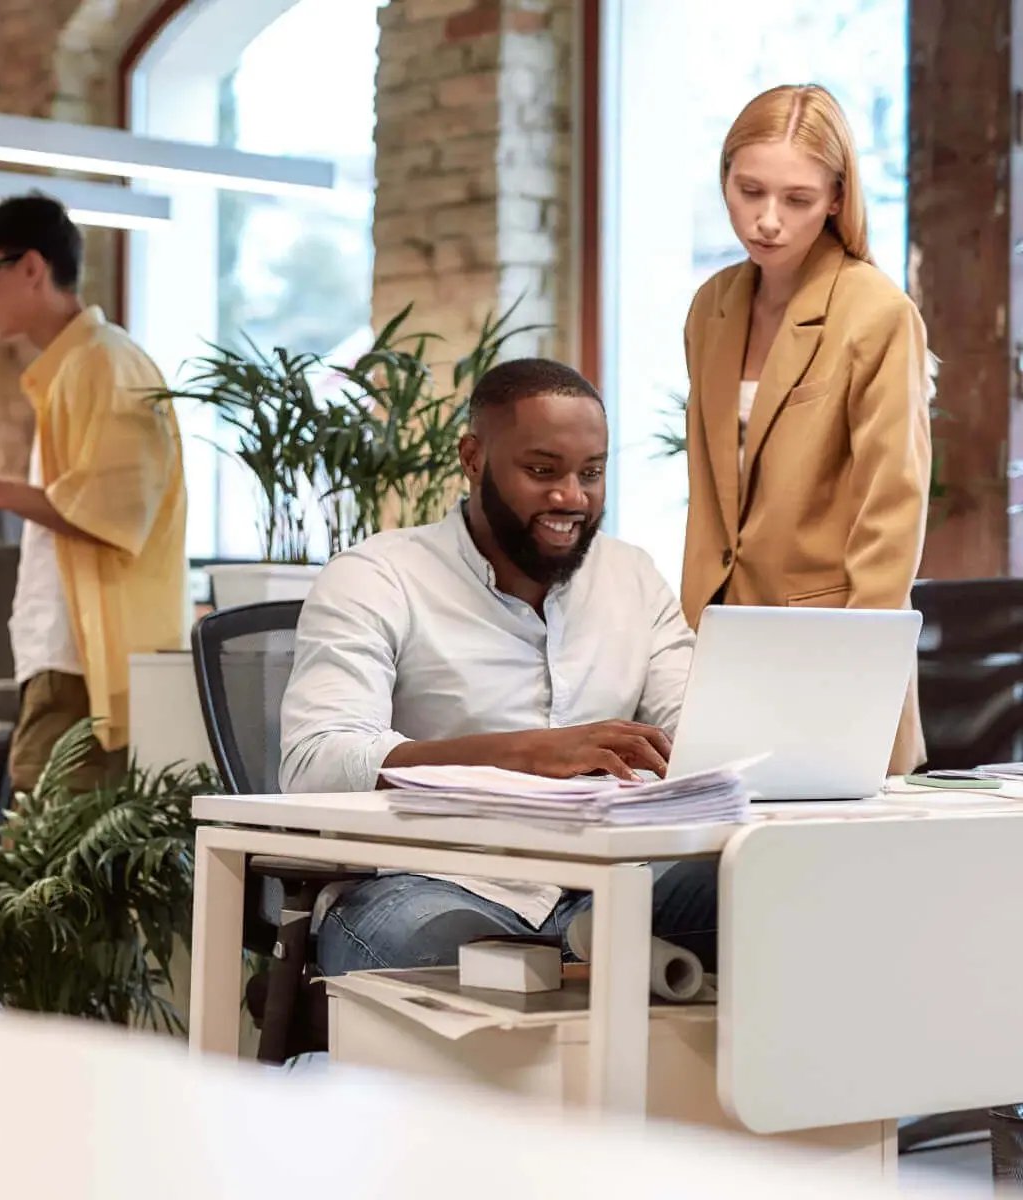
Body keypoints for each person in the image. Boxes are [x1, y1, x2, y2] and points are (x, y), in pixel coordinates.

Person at [279, 358, 714, 976]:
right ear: (474, 458)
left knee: (769, 895)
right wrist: (525, 754)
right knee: (423, 946)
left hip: (617, 877)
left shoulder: (631, 577)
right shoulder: (378, 575)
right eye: (542, 471)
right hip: (441, 881)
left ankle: (585, 965)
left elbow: (695, 733)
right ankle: (592, 966)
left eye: (591, 473)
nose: (572, 496)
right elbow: (314, 760)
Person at [682, 84, 931, 775]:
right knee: (725, 874)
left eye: (795, 199)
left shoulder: (876, 312)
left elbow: (892, 514)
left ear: (835, 198)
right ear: (724, 178)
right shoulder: (712, 308)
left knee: (837, 873)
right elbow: (709, 491)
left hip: (835, 647)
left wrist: (859, 675)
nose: (766, 220)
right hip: (726, 641)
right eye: (748, 190)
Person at [0, 192, 188, 794]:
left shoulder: (104, 364)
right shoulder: (77, 367)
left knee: (44, 858)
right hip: (68, 656)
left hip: (85, 663)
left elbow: (115, 511)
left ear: (32, 268)